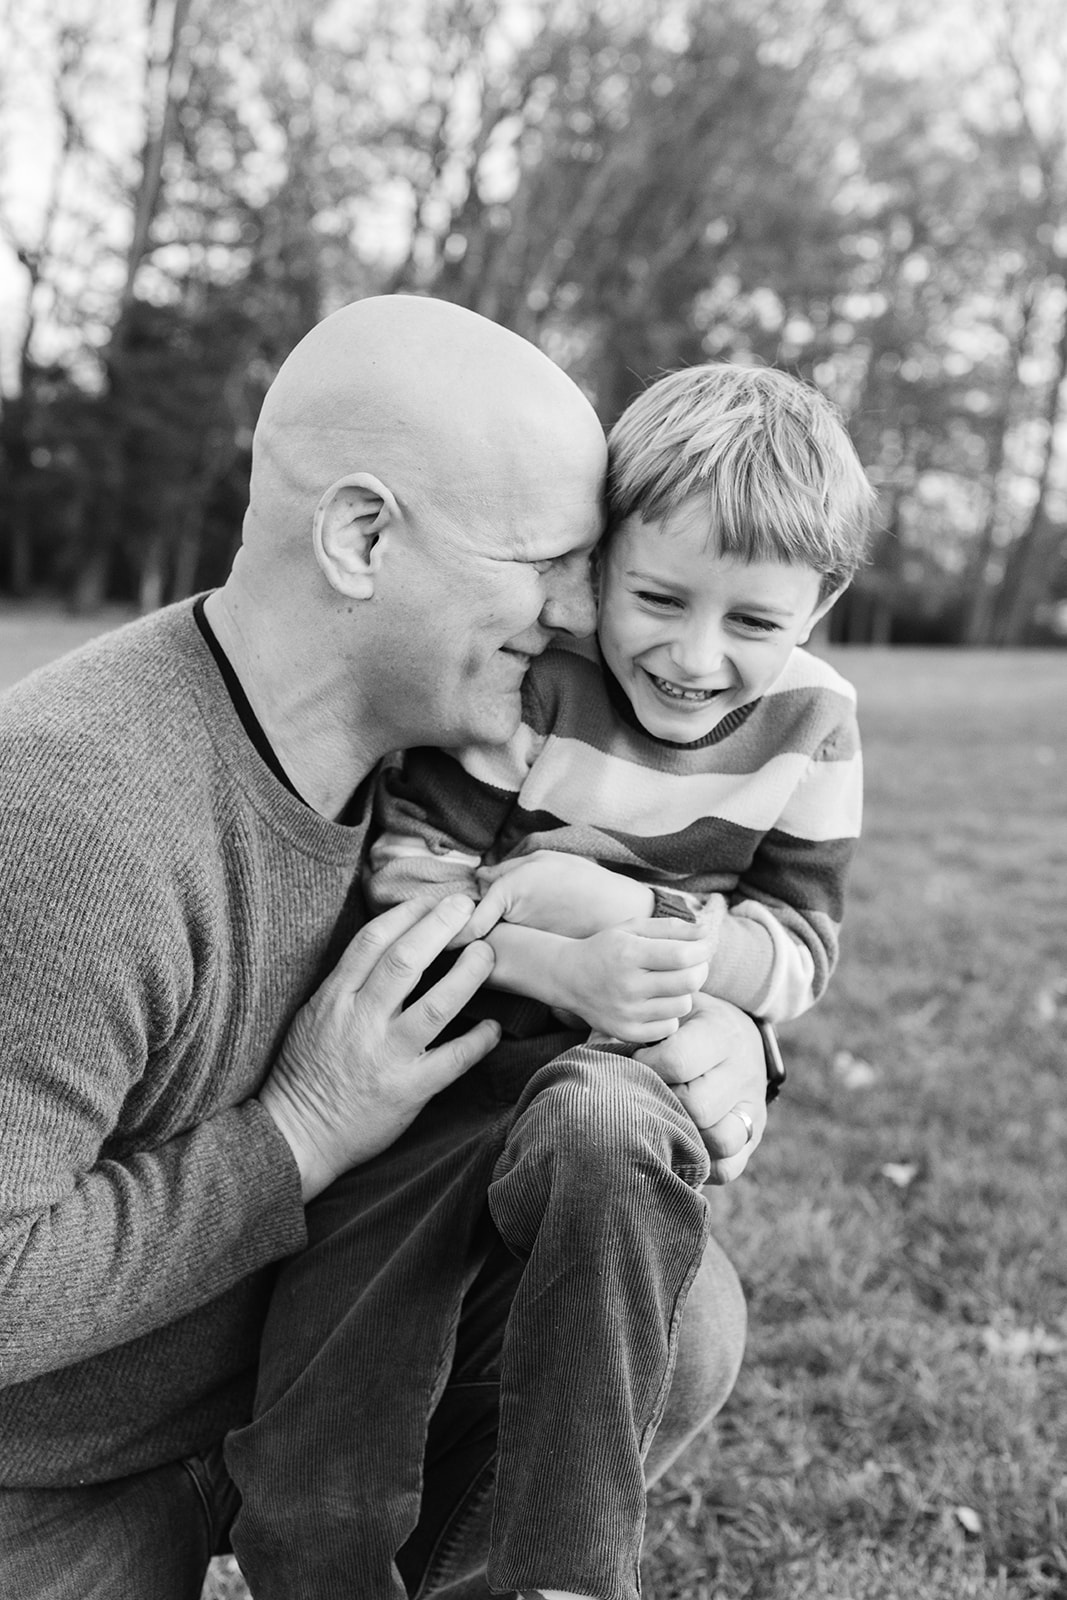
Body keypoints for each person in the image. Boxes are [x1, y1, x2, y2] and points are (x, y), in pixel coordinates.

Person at [0, 295, 765, 1600]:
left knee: (676, 1319)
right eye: (545, 561)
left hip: (310, 1376)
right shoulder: (75, 816)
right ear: (361, 536)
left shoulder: (451, 757)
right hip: (53, 1468)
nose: (583, 615)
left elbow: (605, 922)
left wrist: (720, 1028)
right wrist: (299, 1129)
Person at [226, 364, 873, 1600]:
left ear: (821, 598)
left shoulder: (812, 724)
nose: (692, 657)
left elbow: (795, 943)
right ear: (599, 564)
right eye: (657, 598)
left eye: (751, 622)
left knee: (603, 1124)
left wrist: (648, 927)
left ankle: (560, 1576)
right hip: (446, 1065)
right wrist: (557, 958)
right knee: (334, 1413)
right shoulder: (538, 682)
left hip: (617, 1067)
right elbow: (412, 875)